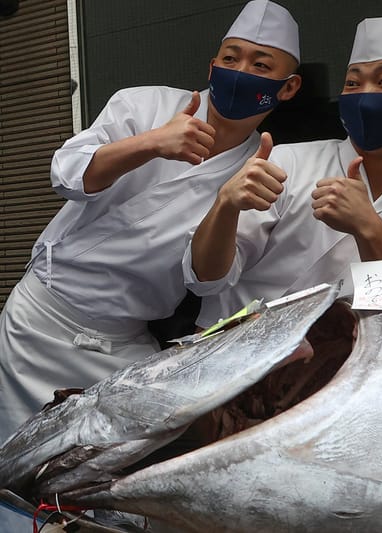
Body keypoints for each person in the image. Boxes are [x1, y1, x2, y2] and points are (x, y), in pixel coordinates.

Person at [0, 0, 302, 446]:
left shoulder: (265, 169)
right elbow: (66, 174)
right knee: (14, 466)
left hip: (123, 344)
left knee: (110, 481)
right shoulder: (145, 104)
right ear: (212, 65)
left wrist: (227, 203)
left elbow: (206, 281)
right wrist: (150, 143)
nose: (240, 71)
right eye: (231, 58)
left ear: (288, 87)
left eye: (260, 64)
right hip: (41, 319)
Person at [185, 16, 382, 327]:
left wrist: (371, 230)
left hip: (352, 365)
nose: (365, 94)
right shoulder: (286, 163)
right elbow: (206, 279)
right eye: (353, 83)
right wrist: (225, 205)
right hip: (233, 353)